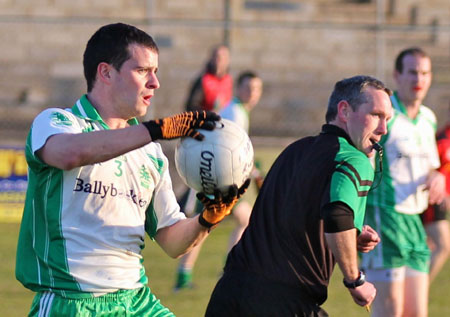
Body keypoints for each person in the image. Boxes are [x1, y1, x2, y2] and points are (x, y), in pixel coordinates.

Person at [15, 23, 249, 316]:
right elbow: (69, 154)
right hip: (71, 303)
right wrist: (156, 129)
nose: (155, 82)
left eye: (156, 71)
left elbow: (172, 240)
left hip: (136, 302)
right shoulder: (57, 122)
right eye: (142, 71)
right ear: (106, 73)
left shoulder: (150, 152)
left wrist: (208, 218)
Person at [205, 75, 393, 316]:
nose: (383, 128)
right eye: (376, 115)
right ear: (344, 111)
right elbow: (338, 216)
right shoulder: (354, 158)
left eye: (387, 119)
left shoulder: (294, 150)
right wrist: (355, 280)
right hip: (284, 301)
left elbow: (299, 220)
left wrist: (351, 235)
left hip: (230, 292)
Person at [360, 47, 446, 317]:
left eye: (424, 73)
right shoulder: (385, 115)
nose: (417, 79)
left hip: (414, 222)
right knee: (390, 310)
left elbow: (431, 165)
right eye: (411, 72)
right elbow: (362, 161)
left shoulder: (428, 119)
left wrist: (438, 177)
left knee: (417, 313)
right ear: (397, 76)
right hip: (384, 218)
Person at [174, 71, 264, 291]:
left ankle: (203, 273)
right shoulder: (235, 112)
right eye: (248, 88)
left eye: (256, 89)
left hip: (216, 176)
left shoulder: (236, 109)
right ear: (239, 89)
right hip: (219, 178)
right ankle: (220, 272)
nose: (252, 93)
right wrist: (253, 172)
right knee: (206, 226)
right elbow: (230, 149)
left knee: (234, 221)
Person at [421, 104, 450, 282]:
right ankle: (420, 288)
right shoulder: (441, 139)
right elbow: (429, 170)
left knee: (428, 248)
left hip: (441, 201)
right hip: (432, 201)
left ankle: (415, 288)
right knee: (443, 246)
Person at [185, 45, 233, 112]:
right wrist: (209, 113)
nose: (220, 60)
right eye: (217, 57)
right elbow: (191, 106)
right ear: (211, 58)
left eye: (224, 57)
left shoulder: (229, 80)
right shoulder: (204, 80)